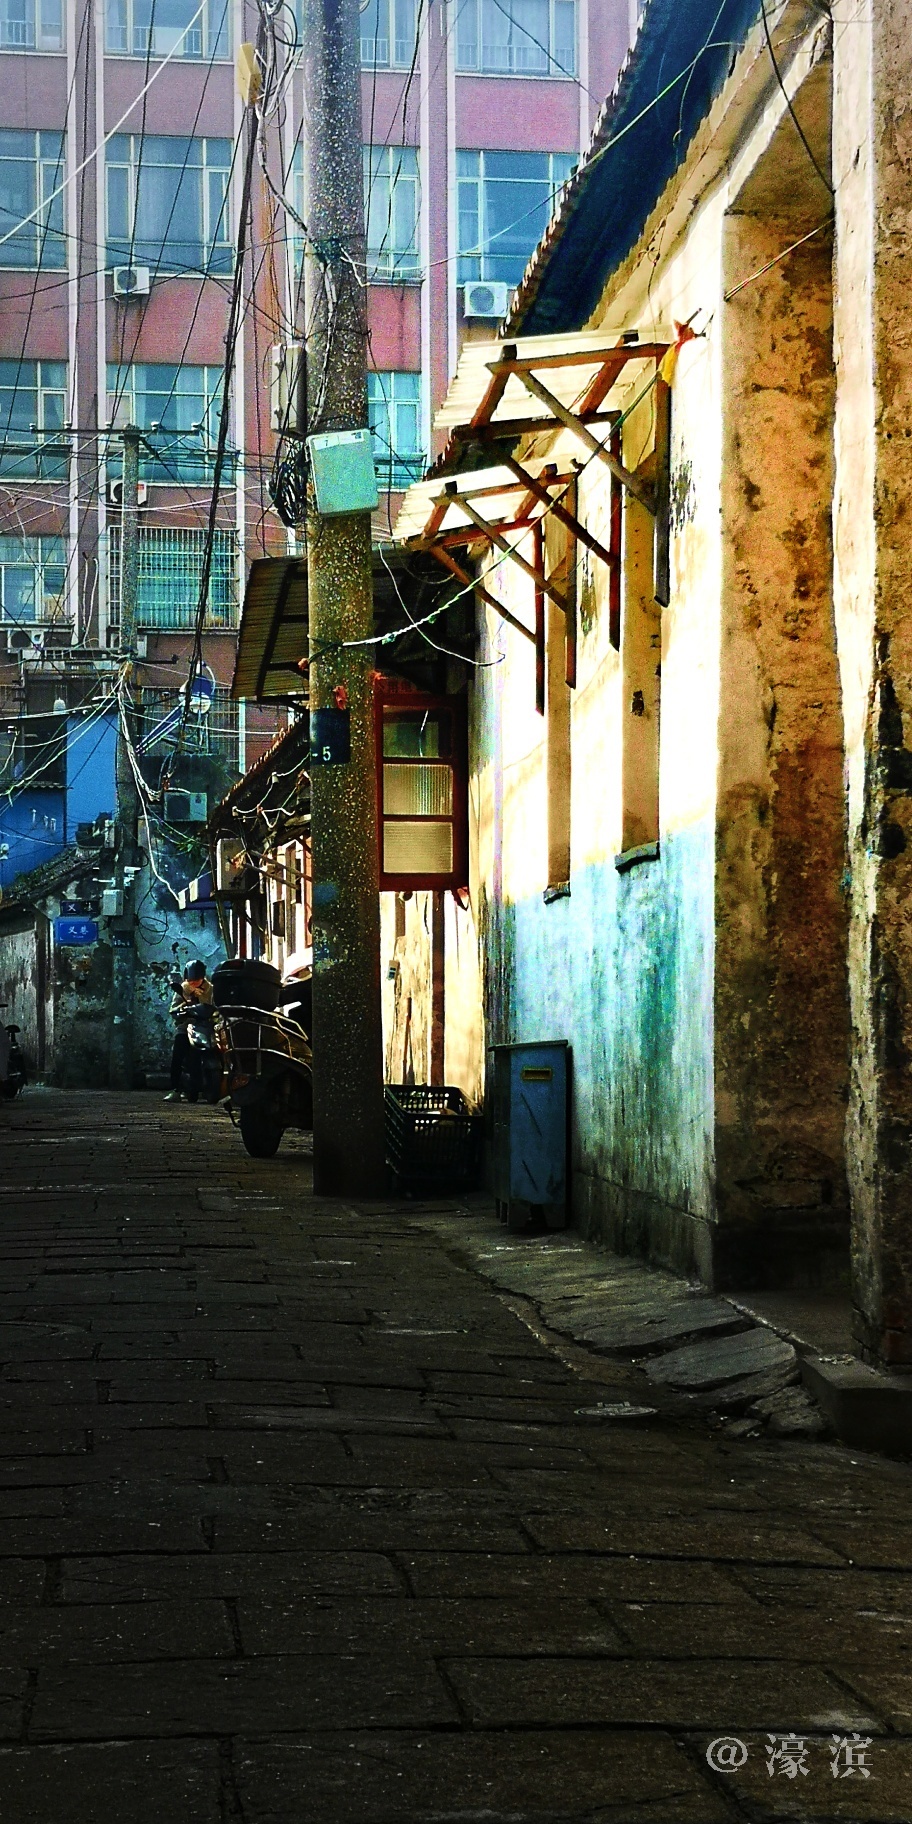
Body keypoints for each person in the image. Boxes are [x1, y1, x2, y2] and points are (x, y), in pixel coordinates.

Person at [164, 960, 213, 1103]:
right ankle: (175, 1089)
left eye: (197, 980)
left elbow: (214, 1007)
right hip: (185, 1028)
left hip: (204, 1029)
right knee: (177, 1057)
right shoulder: (183, 989)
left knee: (201, 1059)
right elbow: (173, 1009)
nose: (194, 983)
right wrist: (183, 1008)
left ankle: (206, 1088)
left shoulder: (210, 990)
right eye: (191, 981)